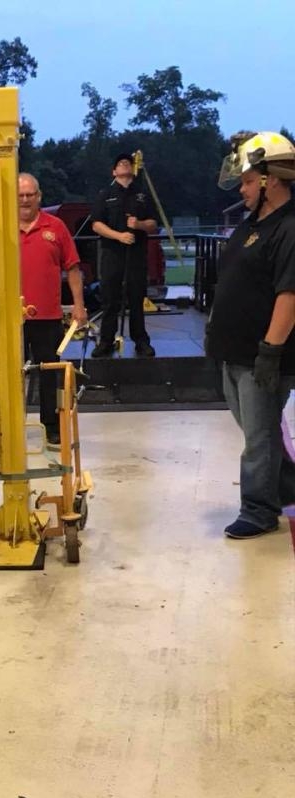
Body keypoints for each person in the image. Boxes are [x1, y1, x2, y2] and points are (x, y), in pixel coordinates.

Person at [207, 130, 295, 539]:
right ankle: (284, 482)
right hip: (232, 351)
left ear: (269, 180)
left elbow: (289, 294)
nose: (241, 189)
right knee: (256, 431)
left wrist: (270, 352)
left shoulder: (289, 227)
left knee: (258, 437)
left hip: (260, 355)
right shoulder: (252, 223)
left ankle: (259, 509)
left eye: (246, 180)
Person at [18, 173, 87, 449]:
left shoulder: (55, 227)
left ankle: (51, 427)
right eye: (20, 195)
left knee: (49, 373)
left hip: (48, 316)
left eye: (30, 194)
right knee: (13, 374)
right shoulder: (1, 228)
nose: (25, 200)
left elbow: (72, 268)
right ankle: (11, 428)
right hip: (13, 318)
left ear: (39, 196)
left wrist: (79, 306)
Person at [90, 153, 157, 358]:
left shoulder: (142, 195)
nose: (124, 164)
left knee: (136, 298)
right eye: (120, 163)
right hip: (112, 254)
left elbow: (154, 225)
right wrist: (119, 236)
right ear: (114, 171)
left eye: (127, 162)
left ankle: (141, 341)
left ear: (132, 170)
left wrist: (139, 225)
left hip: (136, 255)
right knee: (110, 299)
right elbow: (96, 224)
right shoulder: (105, 194)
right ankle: (106, 341)